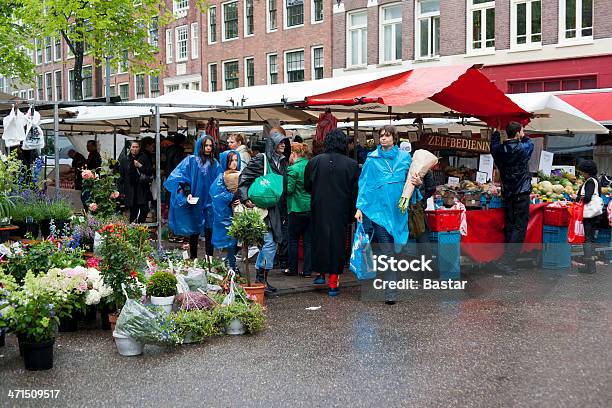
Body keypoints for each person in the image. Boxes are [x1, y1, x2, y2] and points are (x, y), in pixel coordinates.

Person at [355, 125, 412, 303]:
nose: (383, 139)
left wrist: (417, 182)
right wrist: (360, 208)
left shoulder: (405, 157)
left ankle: (395, 282)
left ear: (395, 138)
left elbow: (414, 180)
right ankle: (390, 293)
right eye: (381, 136)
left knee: (398, 249)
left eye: (387, 136)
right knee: (388, 252)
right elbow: (365, 184)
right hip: (380, 212)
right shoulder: (372, 159)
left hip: (399, 212)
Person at [304, 129, 360, 296]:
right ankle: (333, 283)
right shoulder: (351, 165)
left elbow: (307, 186)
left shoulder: (314, 162)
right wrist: (352, 213)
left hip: (319, 207)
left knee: (319, 239)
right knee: (337, 243)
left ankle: (320, 274)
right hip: (341, 209)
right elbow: (354, 192)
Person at [238, 128, 291, 294]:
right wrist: (246, 198)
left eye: (284, 142)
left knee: (272, 242)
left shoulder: (283, 162)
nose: (282, 144)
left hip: (276, 209)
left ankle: (263, 279)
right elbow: (244, 178)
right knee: (269, 243)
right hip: (262, 209)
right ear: (272, 144)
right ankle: (260, 279)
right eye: (280, 141)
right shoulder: (261, 159)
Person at [164, 135, 221, 259]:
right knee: (194, 230)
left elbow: (219, 180)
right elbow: (182, 178)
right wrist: (188, 192)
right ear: (201, 146)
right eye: (206, 145)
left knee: (209, 230)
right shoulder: (191, 161)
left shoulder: (214, 163)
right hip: (195, 200)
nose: (208, 148)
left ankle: (209, 259)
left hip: (209, 201)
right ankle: (193, 258)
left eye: (211, 146)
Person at [490, 121, 534, 275]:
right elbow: (530, 142)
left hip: (507, 192)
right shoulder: (523, 149)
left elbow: (493, 145)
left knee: (510, 225)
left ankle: (507, 261)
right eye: (521, 130)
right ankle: (506, 261)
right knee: (520, 227)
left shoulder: (499, 151)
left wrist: (496, 130)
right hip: (521, 193)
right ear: (517, 133)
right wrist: (523, 133)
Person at [210, 150, 241, 273]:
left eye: (236, 160)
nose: (234, 163)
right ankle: (230, 264)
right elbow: (216, 195)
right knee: (231, 241)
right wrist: (232, 198)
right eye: (231, 160)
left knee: (237, 240)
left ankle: (230, 262)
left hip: (238, 212)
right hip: (227, 214)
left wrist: (241, 199)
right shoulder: (221, 177)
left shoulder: (241, 174)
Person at [286, 142, 312, 277]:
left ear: (294, 154)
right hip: (310, 208)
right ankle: (307, 271)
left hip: (296, 208)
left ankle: (292, 268)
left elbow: (289, 190)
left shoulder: (293, 169)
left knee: (293, 240)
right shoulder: (310, 165)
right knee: (308, 242)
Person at [118, 140, 153, 223]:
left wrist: (140, 166)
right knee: (133, 212)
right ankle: (134, 230)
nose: (135, 149)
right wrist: (121, 191)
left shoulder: (144, 158)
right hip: (131, 190)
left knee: (145, 209)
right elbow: (121, 176)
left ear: (139, 148)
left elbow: (149, 172)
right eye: (133, 147)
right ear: (130, 148)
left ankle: (140, 225)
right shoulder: (125, 160)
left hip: (142, 188)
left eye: (136, 147)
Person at [577, 160, 601, 274]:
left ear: (586, 171)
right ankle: (590, 266)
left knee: (587, 239)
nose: (581, 173)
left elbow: (587, 197)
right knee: (590, 238)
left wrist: (577, 198)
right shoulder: (596, 180)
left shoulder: (590, 182)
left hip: (589, 215)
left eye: (582, 171)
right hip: (594, 215)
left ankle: (589, 266)